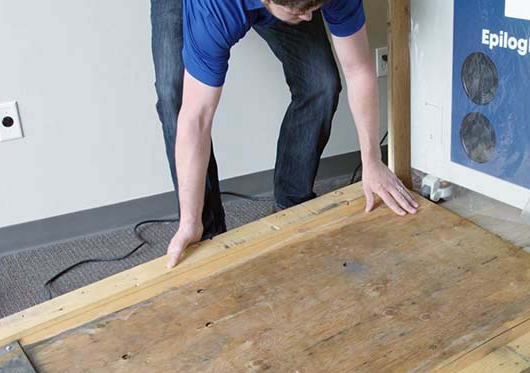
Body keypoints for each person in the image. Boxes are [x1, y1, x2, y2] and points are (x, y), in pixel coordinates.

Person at [150, 0, 418, 269]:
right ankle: (204, 233)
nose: (309, 17)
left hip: (264, 5)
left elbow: (358, 70)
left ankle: (291, 205)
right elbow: (196, 119)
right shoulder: (213, 10)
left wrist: (372, 160)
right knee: (176, 97)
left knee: (321, 84)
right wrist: (189, 220)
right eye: (299, 11)